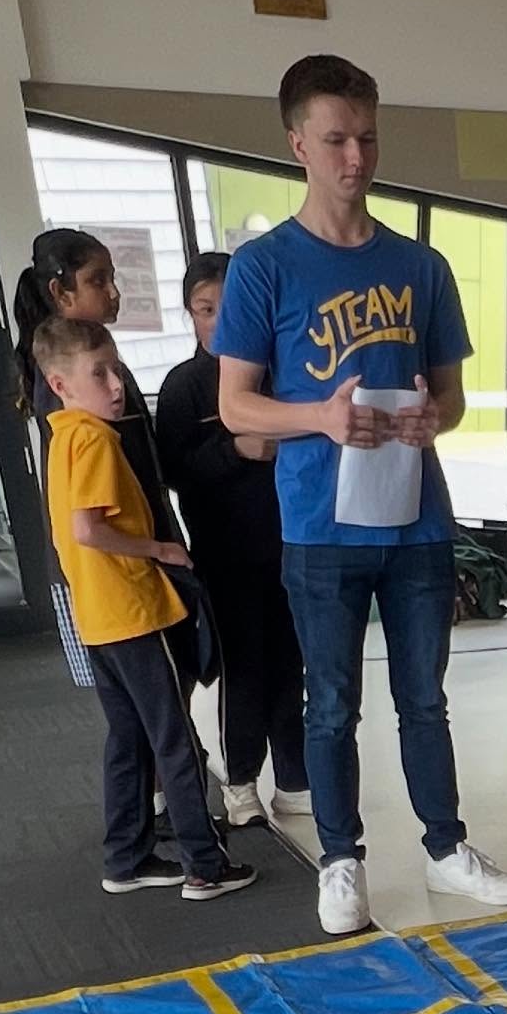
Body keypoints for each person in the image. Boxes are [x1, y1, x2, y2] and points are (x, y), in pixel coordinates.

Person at [214, 53, 507, 935]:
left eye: (368, 137)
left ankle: (444, 845)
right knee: (333, 699)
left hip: (417, 521)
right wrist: (317, 416)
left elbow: (453, 393)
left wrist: (437, 421)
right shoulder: (265, 267)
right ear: (298, 145)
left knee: (425, 697)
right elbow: (233, 402)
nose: (356, 157)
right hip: (319, 526)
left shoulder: (421, 267)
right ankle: (342, 857)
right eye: (336, 139)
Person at [34, 319, 256, 901]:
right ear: (60, 384)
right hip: (134, 610)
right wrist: (159, 547)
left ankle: (127, 857)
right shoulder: (95, 439)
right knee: (175, 737)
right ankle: (205, 864)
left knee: (129, 736)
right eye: (98, 374)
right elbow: (89, 529)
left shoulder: (62, 437)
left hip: (99, 618)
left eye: (116, 370)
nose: (116, 386)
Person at [157, 252, 309, 826]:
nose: (220, 321)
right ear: (190, 314)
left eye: (232, 308)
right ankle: (240, 778)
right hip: (224, 554)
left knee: (291, 664)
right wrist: (235, 449)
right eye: (206, 310)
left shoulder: (279, 375)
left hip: (291, 546)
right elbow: (173, 470)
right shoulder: (185, 386)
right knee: (243, 671)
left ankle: (294, 779)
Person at [14, 229, 183, 696]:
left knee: (150, 717)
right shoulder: (71, 398)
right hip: (115, 581)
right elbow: (86, 518)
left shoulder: (100, 368)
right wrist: (158, 550)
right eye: (97, 280)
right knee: (153, 716)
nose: (113, 292)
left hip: (133, 560)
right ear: (60, 292)